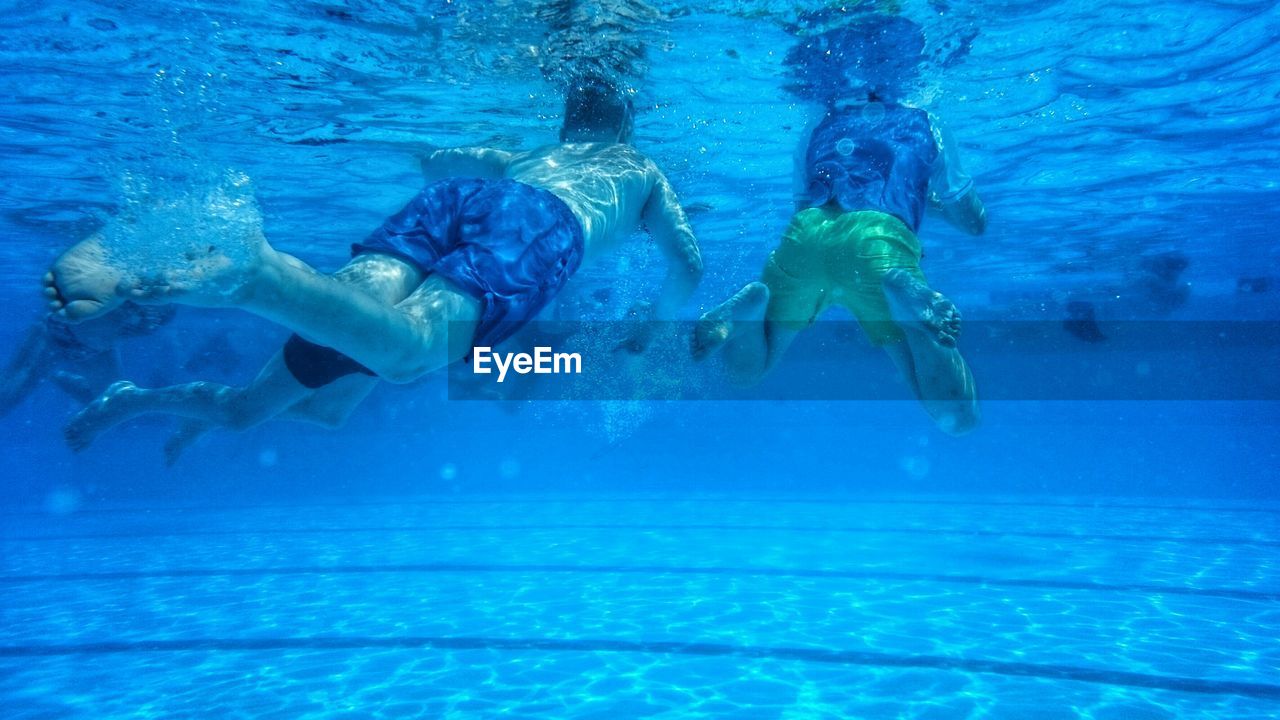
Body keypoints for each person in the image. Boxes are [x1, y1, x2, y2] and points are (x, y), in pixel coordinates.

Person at [44, 77, 703, 454]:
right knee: (409, 352)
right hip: (539, 229)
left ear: (567, 123)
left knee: (276, 408)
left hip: (460, 200)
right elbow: (689, 264)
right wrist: (657, 322)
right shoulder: (639, 168)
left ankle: (131, 385)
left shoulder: (526, 154)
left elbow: (439, 163)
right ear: (627, 127)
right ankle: (252, 273)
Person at [691, 15, 986, 434]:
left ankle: (751, 308)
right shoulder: (925, 121)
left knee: (744, 374)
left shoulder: (818, 126)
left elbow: (801, 205)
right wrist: (935, 202)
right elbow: (971, 221)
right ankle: (905, 296)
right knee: (957, 416)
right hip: (879, 244)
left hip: (805, 236)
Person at [0, 303, 175, 418]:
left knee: (112, 409)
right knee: (7, 397)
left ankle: (56, 375)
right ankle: (51, 373)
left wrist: (140, 324)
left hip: (95, 351)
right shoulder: (133, 275)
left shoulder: (172, 298)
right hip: (55, 332)